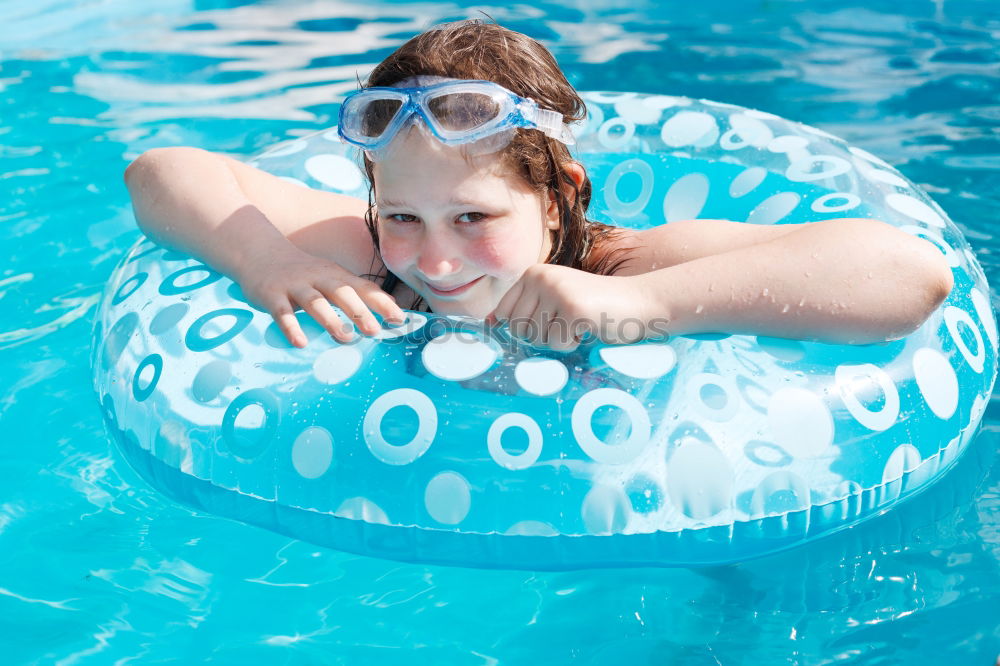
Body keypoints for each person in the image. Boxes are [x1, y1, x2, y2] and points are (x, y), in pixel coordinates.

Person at [124, 20, 953, 352]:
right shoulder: (371, 260)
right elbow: (160, 172)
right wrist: (262, 260)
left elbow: (911, 274)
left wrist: (639, 310)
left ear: (556, 198)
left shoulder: (624, 268)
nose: (435, 258)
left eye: (474, 215)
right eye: (403, 212)